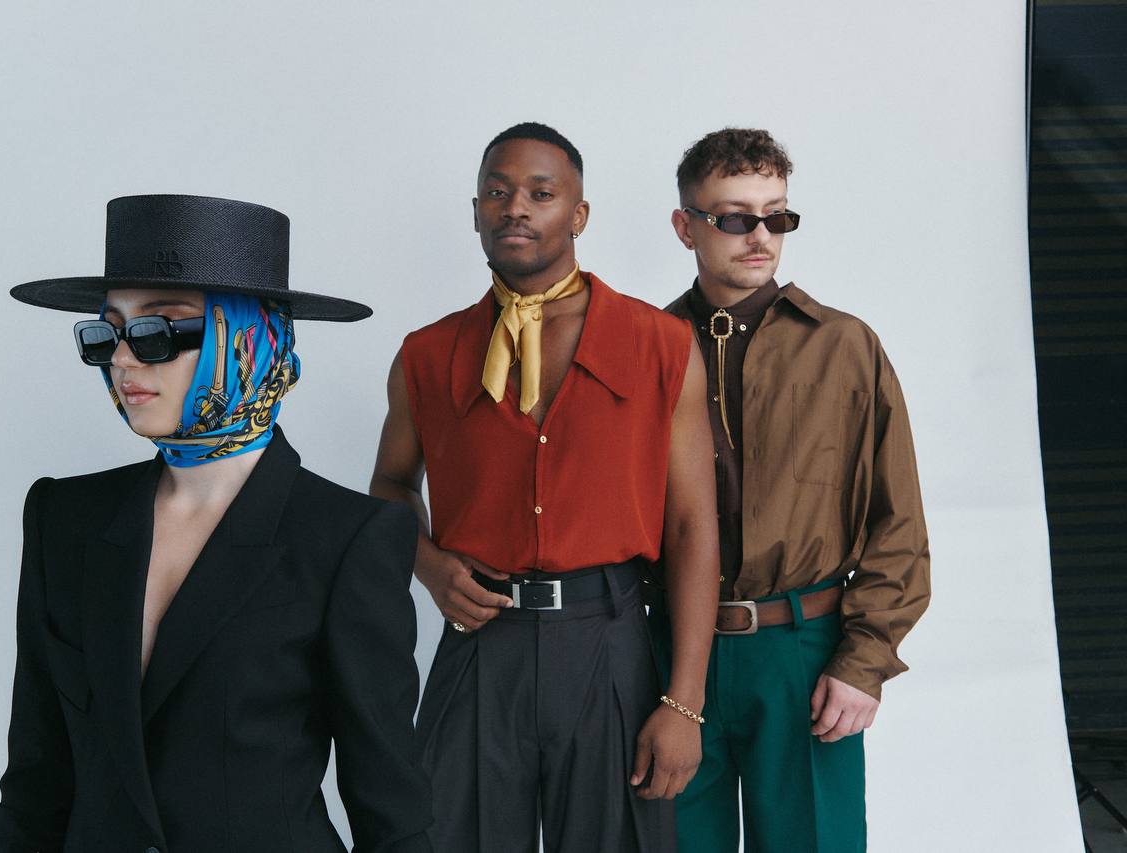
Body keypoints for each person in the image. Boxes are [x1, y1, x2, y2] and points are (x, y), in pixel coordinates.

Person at [0, 194, 433, 853]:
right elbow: (36, 780)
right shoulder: (63, 518)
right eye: (106, 333)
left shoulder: (346, 538)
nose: (123, 359)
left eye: (158, 330)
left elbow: (389, 808)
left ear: (246, 337)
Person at [370, 123, 721, 852]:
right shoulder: (427, 354)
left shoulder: (660, 344)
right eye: (497, 192)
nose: (515, 208)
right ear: (475, 212)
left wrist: (684, 703)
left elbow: (691, 526)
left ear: (578, 214)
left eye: (540, 193)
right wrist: (429, 566)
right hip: (478, 644)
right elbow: (391, 484)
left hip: (610, 643)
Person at [653, 128, 931, 852]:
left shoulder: (845, 346)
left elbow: (898, 521)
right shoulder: (644, 347)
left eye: (776, 216)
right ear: (685, 226)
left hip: (803, 652)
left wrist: (864, 662)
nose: (760, 237)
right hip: (671, 654)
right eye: (734, 217)